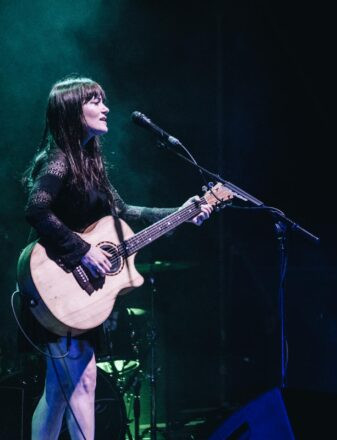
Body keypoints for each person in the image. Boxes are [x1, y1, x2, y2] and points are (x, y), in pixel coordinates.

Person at [21, 76, 213, 439]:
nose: (106, 107)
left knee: (57, 393)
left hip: (78, 295)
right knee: (82, 381)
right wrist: (82, 250)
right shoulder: (59, 158)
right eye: (95, 101)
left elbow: (125, 212)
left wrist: (183, 211)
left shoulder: (90, 163)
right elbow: (37, 210)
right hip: (55, 288)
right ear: (72, 111)